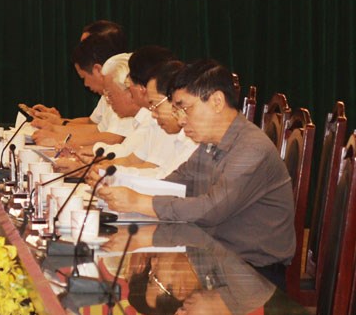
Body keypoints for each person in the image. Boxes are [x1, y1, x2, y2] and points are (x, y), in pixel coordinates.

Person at [99, 60, 295, 280]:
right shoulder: (211, 143)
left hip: (252, 274)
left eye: (185, 108)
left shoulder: (252, 149)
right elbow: (177, 181)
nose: (181, 120)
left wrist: (138, 202)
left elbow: (211, 209)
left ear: (217, 101)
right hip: (213, 255)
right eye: (176, 110)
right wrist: (124, 191)